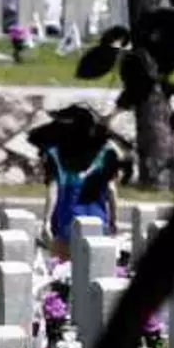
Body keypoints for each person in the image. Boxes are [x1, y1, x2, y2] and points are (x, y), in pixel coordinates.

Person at [28, 105, 129, 260]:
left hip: (66, 222)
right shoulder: (106, 155)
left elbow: (53, 189)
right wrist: (114, 220)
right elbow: (111, 189)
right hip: (97, 221)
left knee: (64, 270)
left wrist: (46, 221)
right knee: (93, 266)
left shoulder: (55, 155)